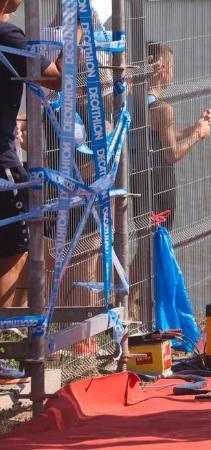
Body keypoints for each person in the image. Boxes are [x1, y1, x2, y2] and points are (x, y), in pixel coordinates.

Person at [129, 41, 211, 320]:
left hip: (139, 179)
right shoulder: (162, 108)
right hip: (161, 182)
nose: (173, 72)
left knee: (145, 246)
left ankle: (135, 308)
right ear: (161, 68)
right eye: (172, 67)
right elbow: (172, 154)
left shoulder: (135, 100)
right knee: (154, 247)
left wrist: (195, 126)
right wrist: (199, 135)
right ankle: (143, 310)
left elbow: (164, 138)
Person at [0, 0, 62, 309]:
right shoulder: (7, 36)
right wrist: (74, 37)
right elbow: (57, 78)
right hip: (2, 163)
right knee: (14, 253)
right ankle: (8, 342)